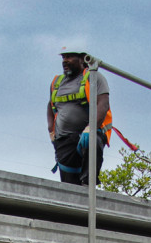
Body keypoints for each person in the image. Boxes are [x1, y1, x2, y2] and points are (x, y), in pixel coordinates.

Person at [47, 48, 111, 185]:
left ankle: (89, 182)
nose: (65, 61)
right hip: (65, 140)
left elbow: (103, 104)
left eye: (69, 57)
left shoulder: (93, 77)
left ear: (82, 59)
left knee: (92, 141)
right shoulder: (57, 82)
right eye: (63, 57)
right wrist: (51, 130)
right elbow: (51, 106)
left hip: (86, 135)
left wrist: (91, 128)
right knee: (69, 186)